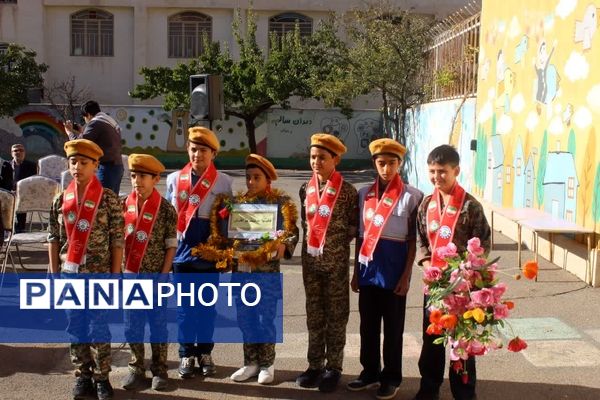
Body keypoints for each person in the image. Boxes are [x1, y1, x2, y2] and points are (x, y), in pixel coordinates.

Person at [413, 144, 491, 400]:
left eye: (442, 171)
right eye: (433, 171)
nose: (437, 177)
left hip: (463, 289)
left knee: (462, 342)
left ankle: (464, 391)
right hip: (435, 289)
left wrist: (469, 271)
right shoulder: (426, 205)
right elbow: (422, 239)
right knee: (433, 339)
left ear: (456, 170)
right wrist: (426, 262)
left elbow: (483, 244)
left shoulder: (471, 207)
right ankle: (429, 388)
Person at [48, 139, 124, 400]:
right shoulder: (60, 200)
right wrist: (54, 274)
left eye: (84, 162)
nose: (77, 167)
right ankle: (83, 375)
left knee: (99, 327)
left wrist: (115, 276)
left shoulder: (109, 200)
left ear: (95, 165)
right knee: (75, 326)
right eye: (73, 162)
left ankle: (102, 377)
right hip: (70, 275)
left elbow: (117, 240)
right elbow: (53, 238)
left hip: (100, 273)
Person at [348, 138, 423, 399]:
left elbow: (413, 241)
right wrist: (356, 273)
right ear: (374, 164)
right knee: (367, 327)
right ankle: (369, 372)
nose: (387, 169)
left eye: (392, 163)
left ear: (400, 164)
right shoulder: (363, 194)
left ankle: (391, 377)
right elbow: (360, 234)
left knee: (393, 329)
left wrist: (406, 276)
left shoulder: (413, 197)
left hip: (394, 274)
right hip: (368, 272)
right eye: (381, 163)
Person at [165, 126, 232, 379]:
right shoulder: (173, 180)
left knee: (206, 308)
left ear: (213, 153)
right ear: (187, 150)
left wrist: (224, 254)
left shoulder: (224, 182)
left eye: (203, 150)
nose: (197, 155)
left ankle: (204, 352)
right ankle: (185, 354)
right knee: (184, 309)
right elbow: (168, 220)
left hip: (209, 256)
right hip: (182, 254)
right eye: (193, 149)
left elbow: (228, 222)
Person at [296, 133, 358, 393]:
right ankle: (314, 366)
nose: (316, 162)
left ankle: (334, 367)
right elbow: (304, 224)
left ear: (336, 159)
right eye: (312, 157)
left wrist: (334, 243)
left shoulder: (348, 192)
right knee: (314, 315)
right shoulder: (304, 189)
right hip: (310, 265)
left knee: (336, 317)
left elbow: (355, 228)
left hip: (336, 265)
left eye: (322, 157)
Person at [120, 154, 177, 392]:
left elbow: (171, 245)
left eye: (142, 176)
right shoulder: (124, 205)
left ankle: (160, 369)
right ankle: (135, 367)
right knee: (132, 324)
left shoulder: (165, 209)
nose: (137, 181)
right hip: (131, 277)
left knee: (158, 324)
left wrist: (164, 275)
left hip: (156, 277)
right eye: (133, 176)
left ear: (155, 179)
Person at [64, 100, 124, 194]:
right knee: (112, 201)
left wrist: (69, 132)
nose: (86, 121)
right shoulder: (109, 120)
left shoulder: (95, 123)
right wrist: (81, 132)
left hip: (107, 167)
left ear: (88, 115)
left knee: (101, 199)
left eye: (84, 118)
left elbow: (79, 144)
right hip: (117, 166)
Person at [0, 144, 38, 232]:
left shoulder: (31, 166)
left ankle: (20, 227)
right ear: (11, 153)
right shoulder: (5, 165)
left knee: (21, 197)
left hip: (24, 192)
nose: (18, 152)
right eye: (15, 151)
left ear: (24, 153)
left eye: (21, 150)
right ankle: (6, 227)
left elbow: (34, 182)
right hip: (8, 193)